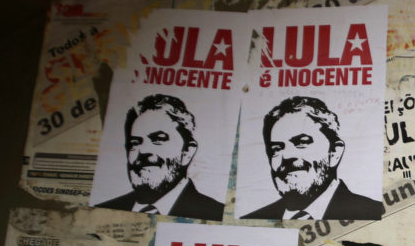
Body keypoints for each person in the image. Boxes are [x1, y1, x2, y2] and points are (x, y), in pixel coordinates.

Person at [242, 96, 384, 220]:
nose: (287, 156)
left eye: (302, 142)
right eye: (277, 149)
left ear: (334, 152)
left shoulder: (375, 214)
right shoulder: (251, 221)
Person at [95, 94, 224, 220]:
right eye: (135, 143)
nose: (143, 151)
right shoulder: (101, 211)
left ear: (187, 152)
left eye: (158, 139)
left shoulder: (215, 214)